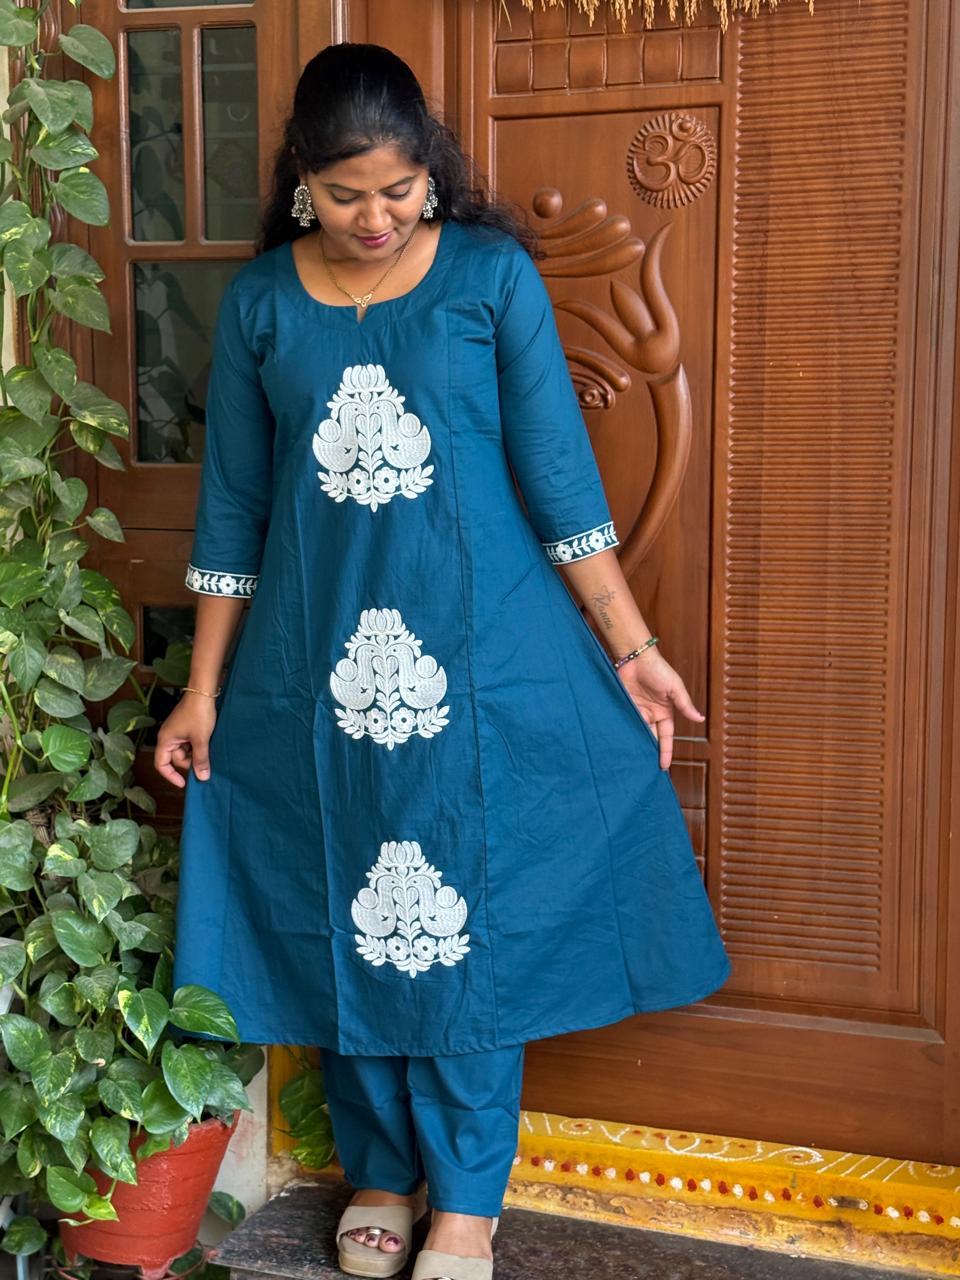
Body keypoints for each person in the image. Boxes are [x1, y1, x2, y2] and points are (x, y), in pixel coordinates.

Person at [153, 41, 730, 1280]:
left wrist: (632, 648)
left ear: (433, 171)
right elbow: (232, 512)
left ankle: (467, 1197)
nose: (378, 217)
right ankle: (378, 1170)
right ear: (303, 180)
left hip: (483, 661)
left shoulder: (487, 277)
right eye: (347, 194)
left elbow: (561, 482)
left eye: (401, 190)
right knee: (345, 902)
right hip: (310, 670)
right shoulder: (260, 305)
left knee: (465, 910)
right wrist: (201, 691)